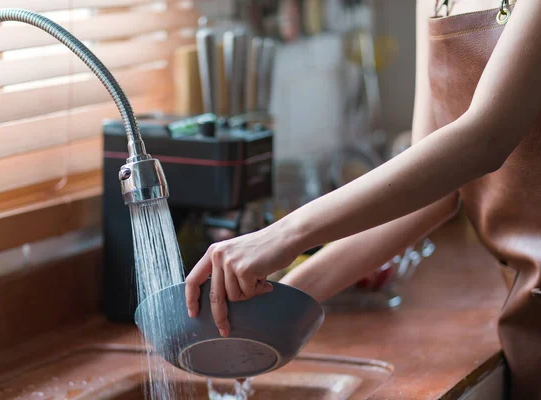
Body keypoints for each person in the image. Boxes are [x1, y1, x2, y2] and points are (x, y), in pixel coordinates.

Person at [186, 0, 541, 398]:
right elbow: (429, 195)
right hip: (529, 314)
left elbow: (486, 139)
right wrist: (283, 305)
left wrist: (283, 235)